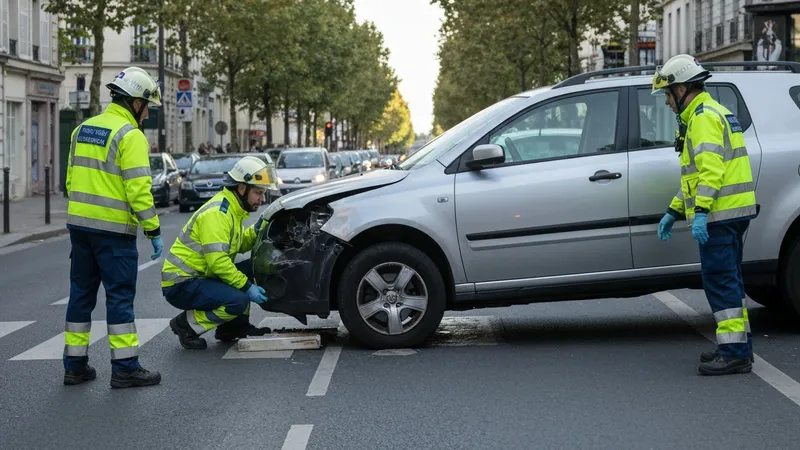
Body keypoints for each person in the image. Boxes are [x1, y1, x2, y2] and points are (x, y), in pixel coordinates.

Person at [653, 54, 759, 376]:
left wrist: (700, 213)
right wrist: (674, 210)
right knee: (730, 281)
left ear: (683, 88)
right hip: (732, 211)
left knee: (720, 282)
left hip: (719, 214)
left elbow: (710, 172)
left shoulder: (701, 118)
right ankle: (738, 345)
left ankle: (734, 353)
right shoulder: (714, 111)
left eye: (669, 95)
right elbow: (697, 176)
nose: (668, 103)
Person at [63, 67, 164, 388]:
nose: (147, 115)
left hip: (78, 228)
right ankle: (125, 368)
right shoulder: (130, 135)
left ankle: (75, 366)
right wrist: (153, 230)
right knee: (119, 298)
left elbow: (68, 182)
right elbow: (138, 190)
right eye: (147, 107)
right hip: (113, 233)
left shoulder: (82, 129)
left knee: (80, 295)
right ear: (135, 103)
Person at [162, 156, 275, 349]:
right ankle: (186, 325)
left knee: (252, 268)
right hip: (181, 282)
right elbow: (219, 263)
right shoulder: (218, 214)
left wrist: (259, 228)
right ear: (241, 188)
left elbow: (238, 245)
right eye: (258, 193)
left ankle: (234, 328)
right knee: (238, 300)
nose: (262, 199)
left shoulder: (233, 209)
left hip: (201, 276)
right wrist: (248, 288)